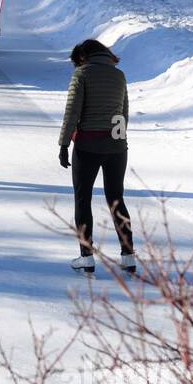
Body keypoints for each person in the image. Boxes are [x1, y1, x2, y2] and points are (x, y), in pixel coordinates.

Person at [58, 38, 135, 273]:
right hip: (117, 147)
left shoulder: (81, 75)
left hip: (88, 146)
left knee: (83, 199)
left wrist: (63, 144)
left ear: (81, 57)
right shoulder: (119, 75)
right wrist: (117, 140)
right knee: (116, 199)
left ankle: (87, 256)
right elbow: (124, 113)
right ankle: (128, 256)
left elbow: (72, 111)